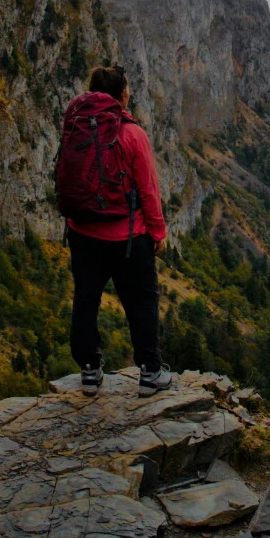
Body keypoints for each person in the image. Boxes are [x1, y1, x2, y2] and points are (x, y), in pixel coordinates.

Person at [58, 64, 172, 397]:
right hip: (127, 238)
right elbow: (148, 187)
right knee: (142, 301)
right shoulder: (132, 133)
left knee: (86, 299)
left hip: (82, 233)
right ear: (122, 95)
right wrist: (158, 232)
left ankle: (90, 371)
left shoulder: (74, 124)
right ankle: (151, 372)